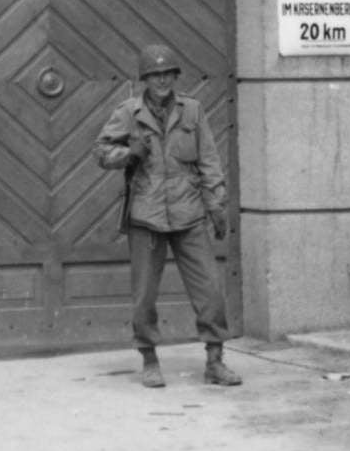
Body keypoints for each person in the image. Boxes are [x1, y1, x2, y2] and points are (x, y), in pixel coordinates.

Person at [96, 44, 241, 389]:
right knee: (144, 294)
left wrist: (216, 205)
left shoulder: (192, 111)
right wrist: (128, 153)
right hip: (146, 214)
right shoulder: (128, 112)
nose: (161, 81)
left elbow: (209, 160)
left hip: (188, 212)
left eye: (167, 74)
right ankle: (148, 357)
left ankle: (215, 360)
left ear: (175, 77)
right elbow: (101, 152)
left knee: (210, 290)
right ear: (144, 79)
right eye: (154, 75)